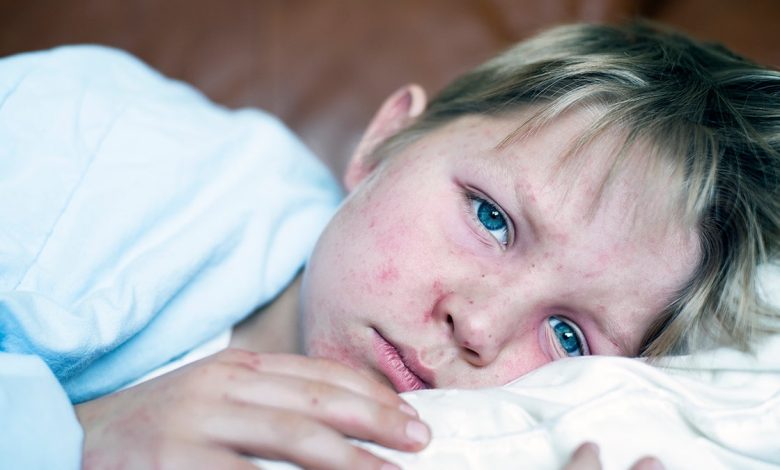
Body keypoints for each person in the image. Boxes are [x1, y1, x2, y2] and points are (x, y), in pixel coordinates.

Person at [2, 20, 779, 469]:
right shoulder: (85, 141)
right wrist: (73, 438)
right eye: (491, 219)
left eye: (568, 335)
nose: (477, 326)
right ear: (382, 141)